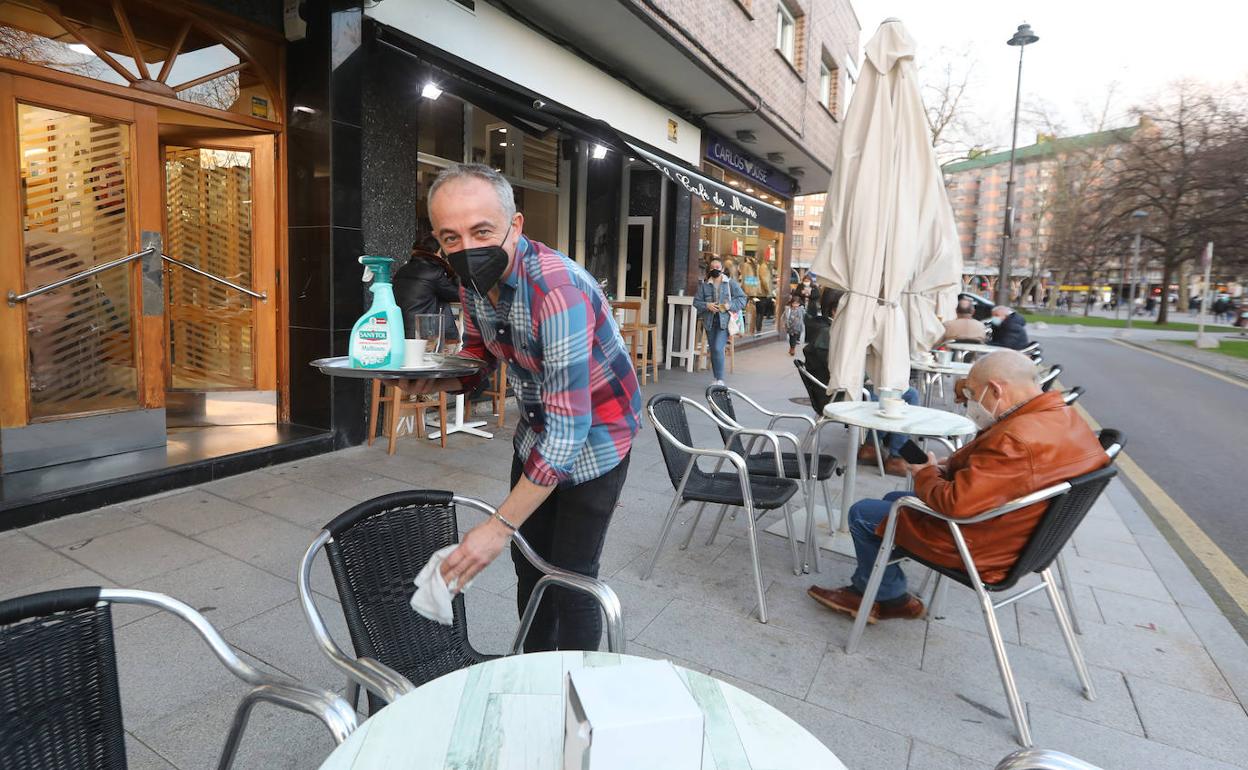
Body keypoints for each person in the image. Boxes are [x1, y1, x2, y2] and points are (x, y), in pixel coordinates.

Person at [420, 164, 641, 652]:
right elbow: (479, 357)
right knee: (529, 562)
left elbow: (571, 429)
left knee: (570, 577)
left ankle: (578, 692)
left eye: (482, 231)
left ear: (515, 226)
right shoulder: (471, 280)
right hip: (537, 430)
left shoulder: (556, 291)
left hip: (600, 437)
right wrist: (429, 377)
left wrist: (497, 526)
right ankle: (536, 668)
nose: (467, 248)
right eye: (450, 238)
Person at [807, 350, 1109, 622]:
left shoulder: (1015, 438)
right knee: (894, 498)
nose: (971, 403)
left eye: (972, 394)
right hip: (1023, 538)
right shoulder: (1065, 418)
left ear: (995, 389)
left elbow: (954, 503)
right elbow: (1001, 471)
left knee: (863, 513)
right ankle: (888, 588)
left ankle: (883, 597)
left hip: (982, 545)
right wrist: (947, 466)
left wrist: (925, 474)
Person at [393, 224, 461, 344]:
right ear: (435, 253)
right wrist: (455, 273)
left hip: (401, 331)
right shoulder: (433, 272)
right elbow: (457, 295)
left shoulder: (402, 270)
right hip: (426, 334)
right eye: (441, 252)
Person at [693, 257, 746, 385]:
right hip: (710, 322)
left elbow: (742, 299)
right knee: (713, 349)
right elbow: (696, 302)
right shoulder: (705, 286)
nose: (715, 270)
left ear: (722, 269)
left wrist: (729, 305)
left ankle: (720, 379)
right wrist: (707, 305)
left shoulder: (730, 283)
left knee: (717, 348)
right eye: (712, 268)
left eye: (717, 267)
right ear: (709, 269)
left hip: (725, 323)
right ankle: (717, 378)